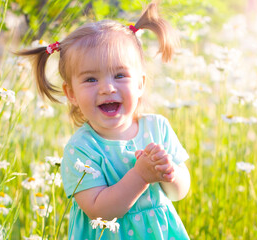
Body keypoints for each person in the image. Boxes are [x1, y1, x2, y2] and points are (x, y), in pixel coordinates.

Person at [18, 2, 191, 239]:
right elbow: (101, 211)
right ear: (71, 94)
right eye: (90, 79)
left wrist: (169, 172)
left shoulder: (157, 127)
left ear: (140, 83)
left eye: (120, 75)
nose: (107, 88)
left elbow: (178, 193)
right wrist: (140, 176)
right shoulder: (81, 149)